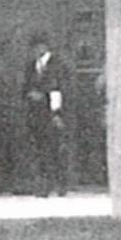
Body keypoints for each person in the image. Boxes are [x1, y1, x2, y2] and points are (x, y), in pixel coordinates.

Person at [21, 32, 73, 196]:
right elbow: (25, 88)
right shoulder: (31, 67)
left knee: (56, 148)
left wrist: (56, 112)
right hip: (36, 114)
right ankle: (44, 184)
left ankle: (60, 184)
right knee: (40, 149)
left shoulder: (57, 65)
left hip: (52, 112)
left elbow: (59, 89)